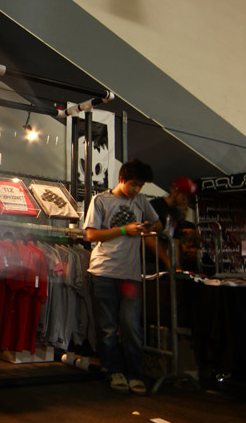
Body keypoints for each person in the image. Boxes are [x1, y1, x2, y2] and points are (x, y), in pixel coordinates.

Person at [84, 159, 161, 396]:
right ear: (121, 179)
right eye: (133, 184)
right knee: (107, 327)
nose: (136, 189)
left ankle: (135, 373)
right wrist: (125, 230)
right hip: (104, 271)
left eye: (140, 186)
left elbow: (158, 223)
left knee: (131, 325)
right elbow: (91, 235)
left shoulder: (141, 201)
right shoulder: (100, 200)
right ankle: (114, 371)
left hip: (131, 273)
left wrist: (147, 227)